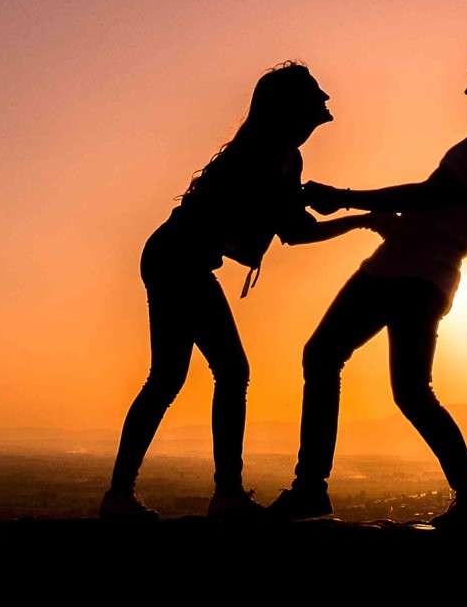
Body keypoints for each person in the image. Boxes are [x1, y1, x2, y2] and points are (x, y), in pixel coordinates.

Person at [99, 62, 385, 523]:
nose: (325, 104)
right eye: (316, 97)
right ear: (293, 107)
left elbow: (292, 228)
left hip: (174, 257)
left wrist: (350, 217)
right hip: (180, 260)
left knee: (170, 378)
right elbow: (292, 228)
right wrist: (361, 219)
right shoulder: (268, 154)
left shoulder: (281, 155)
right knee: (228, 371)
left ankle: (122, 495)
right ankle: (224, 494)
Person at [266, 48, 467, 531]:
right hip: (429, 273)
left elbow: (431, 195)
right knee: (410, 392)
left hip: (405, 269)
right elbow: (444, 207)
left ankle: (310, 487)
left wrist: (344, 199)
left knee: (324, 356)